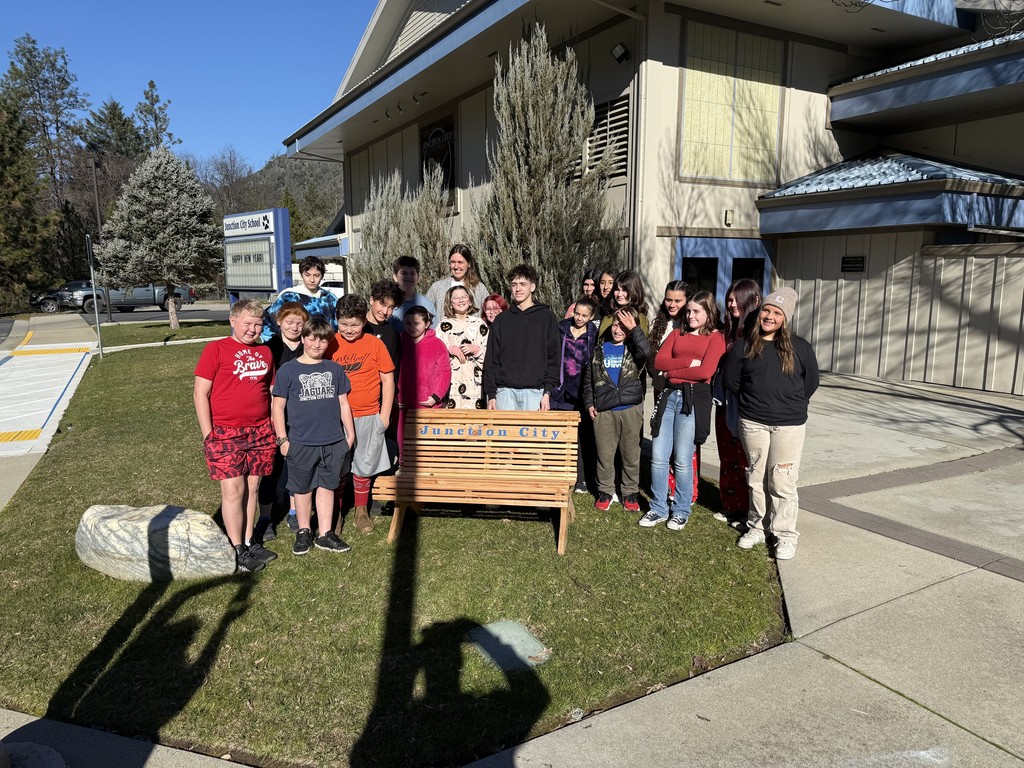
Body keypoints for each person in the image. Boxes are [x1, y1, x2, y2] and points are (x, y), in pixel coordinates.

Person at [722, 287, 819, 560]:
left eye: (777, 312)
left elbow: (810, 382)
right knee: (755, 477)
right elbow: (731, 382)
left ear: (785, 318)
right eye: (766, 310)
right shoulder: (743, 346)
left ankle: (785, 534)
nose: (769, 316)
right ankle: (757, 527)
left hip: (789, 426)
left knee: (782, 480)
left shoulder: (800, 347)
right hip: (753, 423)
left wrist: (790, 404)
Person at [193, 298, 278, 573]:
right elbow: (200, 394)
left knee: (252, 488)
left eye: (258, 324)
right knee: (233, 489)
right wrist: (209, 435)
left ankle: (250, 539)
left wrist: (274, 427)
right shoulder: (216, 349)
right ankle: (236, 547)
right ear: (233, 321)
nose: (252, 330)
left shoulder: (265, 352)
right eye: (247, 324)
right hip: (225, 432)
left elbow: (271, 391)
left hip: (260, 430)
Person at [272, 317, 357, 556]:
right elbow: (277, 407)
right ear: (303, 337)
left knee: (327, 486)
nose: (317, 344)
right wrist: (282, 440)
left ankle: (325, 533)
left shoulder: (334, 369)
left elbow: (343, 403)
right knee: (302, 488)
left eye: (322, 339)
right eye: (311, 338)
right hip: (300, 442)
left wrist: (349, 435)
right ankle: (304, 531)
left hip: (332, 441)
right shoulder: (288, 370)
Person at [644, 291, 725, 530]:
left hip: (691, 402)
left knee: (682, 458)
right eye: (688, 311)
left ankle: (680, 510)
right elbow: (659, 362)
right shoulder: (678, 332)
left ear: (708, 313)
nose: (690, 315)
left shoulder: (716, 338)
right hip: (668, 399)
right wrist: (686, 365)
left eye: (696, 311)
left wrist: (672, 373)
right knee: (658, 456)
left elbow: (705, 373)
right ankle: (658, 508)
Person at [331, 294, 397, 534]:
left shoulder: (374, 344)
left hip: (369, 414)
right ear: (337, 320)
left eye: (355, 324)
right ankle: (335, 513)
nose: (349, 330)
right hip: (336, 419)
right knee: (337, 467)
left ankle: (361, 510)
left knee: (364, 465)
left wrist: (385, 415)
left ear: (363, 321)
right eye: (344, 324)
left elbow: (387, 380)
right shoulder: (329, 343)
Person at [583, 307, 650, 513]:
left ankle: (630, 492)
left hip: (630, 409)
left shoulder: (633, 350)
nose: (618, 329)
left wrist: (635, 329)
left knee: (630, 454)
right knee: (604, 454)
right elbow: (588, 381)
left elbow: (647, 352)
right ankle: (605, 491)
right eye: (615, 325)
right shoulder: (598, 351)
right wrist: (589, 404)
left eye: (622, 326)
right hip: (604, 411)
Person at [256, 302, 309, 539]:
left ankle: (294, 511)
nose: (295, 327)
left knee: (297, 466)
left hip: (301, 418)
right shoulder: (269, 349)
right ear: (279, 322)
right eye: (290, 322)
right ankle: (265, 517)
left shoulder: (308, 347)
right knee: (271, 468)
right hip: (273, 415)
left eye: (299, 323)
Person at [714, 278, 762, 524]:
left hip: (747, 406)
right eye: (729, 299)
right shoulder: (726, 333)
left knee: (746, 458)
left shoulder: (758, 335)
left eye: (735, 299)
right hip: (723, 404)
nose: (731, 304)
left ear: (750, 300)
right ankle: (731, 504)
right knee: (727, 455)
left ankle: (748, 509)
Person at [483, 264, 560, 411]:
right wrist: (491, 394)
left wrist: (547, 392)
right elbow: (491, 360)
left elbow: (554, 358)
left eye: (522, 284)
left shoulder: (546, 317)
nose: (518, 289)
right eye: (514, 284)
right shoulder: (501, 320)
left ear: (532, 287)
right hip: (504, 393)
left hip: (535, 394)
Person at [647, 281, 695, 507]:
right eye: (669, 299)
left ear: (687, 301)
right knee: (663, 440)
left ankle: (687, 490)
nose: (672, 304)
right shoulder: (660, 323)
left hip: (687, 391)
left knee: (685, 443)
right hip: (662, 388)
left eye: (678, 300)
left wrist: (672, 367)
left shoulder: (692, 324)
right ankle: (665, 487)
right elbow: (654, 359)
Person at [551, 295, 599, 493]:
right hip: (561, 391)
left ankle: (582, 479)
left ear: (591, 316)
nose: (579, 318)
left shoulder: (594, 336)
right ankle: (560, 474)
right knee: (562, 436)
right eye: (576, 313)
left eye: (584, 315)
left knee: (584, 438)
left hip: (583, 392)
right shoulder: (561, 330)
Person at [397, 305, 451, 458]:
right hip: (405, 404)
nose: (412, 327)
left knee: (429, 444)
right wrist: (396, 395)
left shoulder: (437, 345)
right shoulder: (400, 341)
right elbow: (392, 370)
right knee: (404, 441)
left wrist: (436, 396)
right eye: (408, 323)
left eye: (416, 323)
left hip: (428, 404)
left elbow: (444, 372)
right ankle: (404, 466)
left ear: (427, 324)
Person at [260, 256, 339, 342]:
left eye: (316, 275)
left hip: (324, 348)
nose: (312, 280)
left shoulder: (329, 298)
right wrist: (275, 345)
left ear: (322, 276)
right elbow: (267, 322)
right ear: (301, 274)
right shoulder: (289, 296)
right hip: (294, 349)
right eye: (307, 275)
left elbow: (338, 325)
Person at [436, 286, 489, 409]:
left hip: (475, 388)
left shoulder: (479, 324)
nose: (461, 300)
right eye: (456, 298)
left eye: (464, 296)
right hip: (452, 386)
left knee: (475, 425)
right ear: (450, 303)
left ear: (470, 301)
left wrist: (477, 350)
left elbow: (490, 355)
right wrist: (448, 349)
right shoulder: (443, 326)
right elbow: (435, 356)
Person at [425, 244, 491, 312]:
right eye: (453, 262)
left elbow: (489, 312)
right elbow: (423, 312)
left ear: (468, 264)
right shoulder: (437, 287)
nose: (456, 266)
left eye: (460, 262)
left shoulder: (479, 288)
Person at [365, 279, 405, 371]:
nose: (385, 311)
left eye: (390, 308)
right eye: (383, 304)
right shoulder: (357, 327)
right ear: (372, 300)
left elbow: (394, 370)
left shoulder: (392, 334)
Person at [597, 270, 649, 338]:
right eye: (617, 290)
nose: (619, 294)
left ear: (634, 291)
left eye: (624, 290)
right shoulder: (609, 315)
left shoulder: (639, 318)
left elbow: (641, 345)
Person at [390, 255, 436, 331]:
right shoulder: (388, 303)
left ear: (418, 277)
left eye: (412, 273)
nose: (408, 277)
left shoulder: (427, 304)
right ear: (395, 277)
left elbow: (434, 332)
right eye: (404, 273)